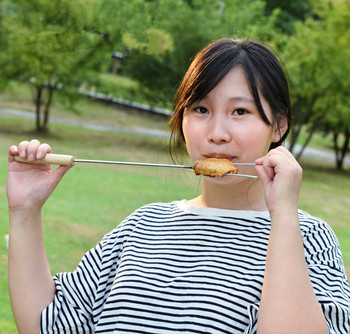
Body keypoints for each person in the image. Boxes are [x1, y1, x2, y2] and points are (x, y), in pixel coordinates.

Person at [7, 38, 350, 334]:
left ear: (278, 127)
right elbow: (48, 325)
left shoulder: (307, 238)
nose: (217, 132)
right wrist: (24, 210)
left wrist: (284, 215)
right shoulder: (142, 226)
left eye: (240, 111)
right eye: (200, 108)